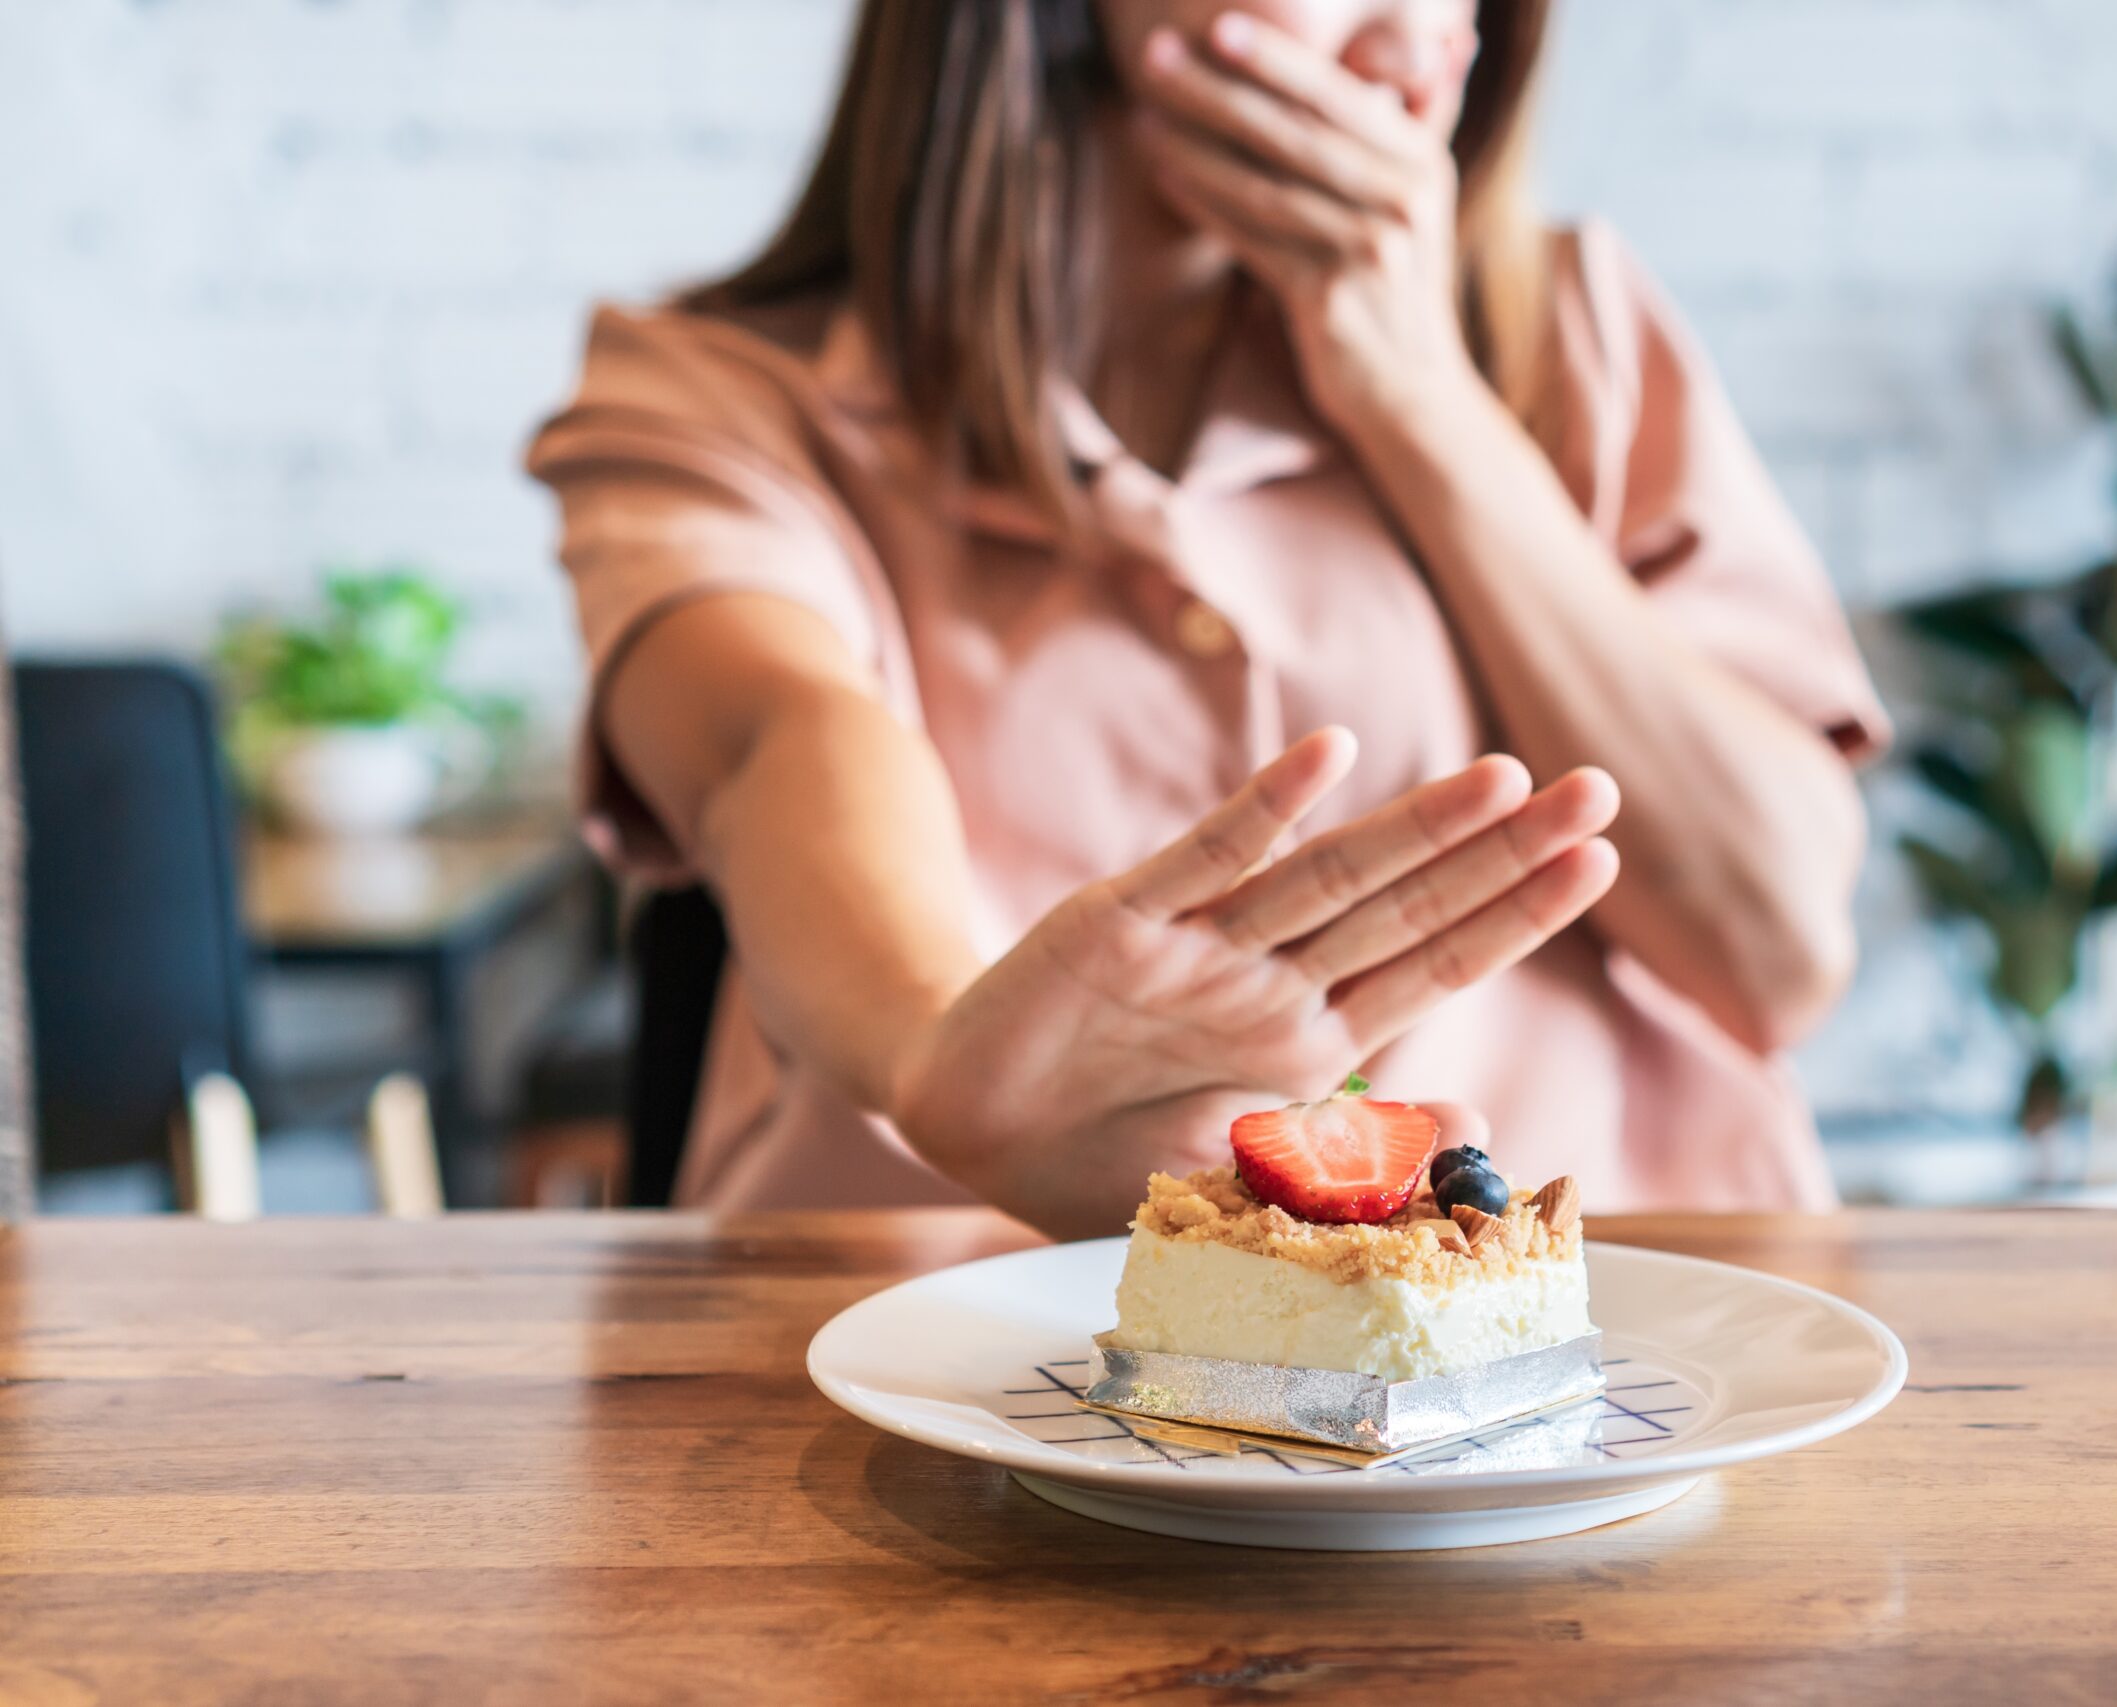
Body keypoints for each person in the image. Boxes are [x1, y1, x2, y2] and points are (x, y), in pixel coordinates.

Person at [527, 0, 1887, 1238]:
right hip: (957, 1368)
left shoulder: (1575, 330)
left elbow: (1781, 951)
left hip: (1616, 1357)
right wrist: (936, 1057)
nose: (1423, 33)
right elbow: (781, 739)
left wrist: (1415, 395)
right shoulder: (717, 397)